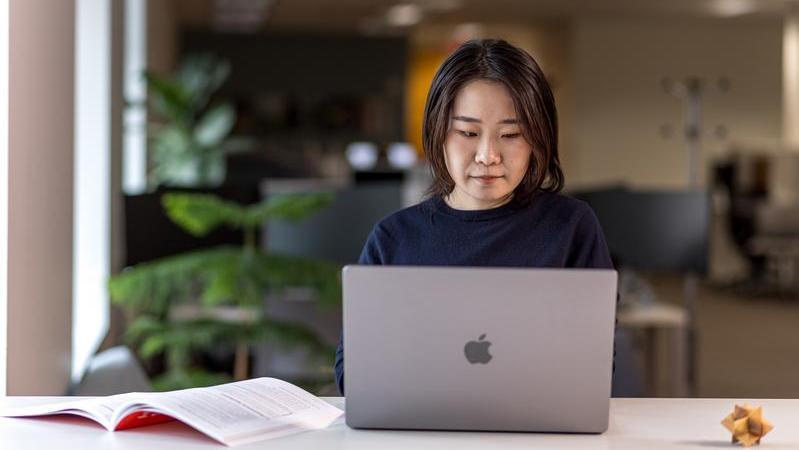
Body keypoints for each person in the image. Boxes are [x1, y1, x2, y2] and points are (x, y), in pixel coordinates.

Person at [334, 38, 613, 395]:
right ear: (438, 133)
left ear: (538, 139)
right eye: (468, 133)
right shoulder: (394, 238)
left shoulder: (572, 227)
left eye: (511, 134)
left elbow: (596, 365)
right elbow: (352, 374)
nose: (487, 155)